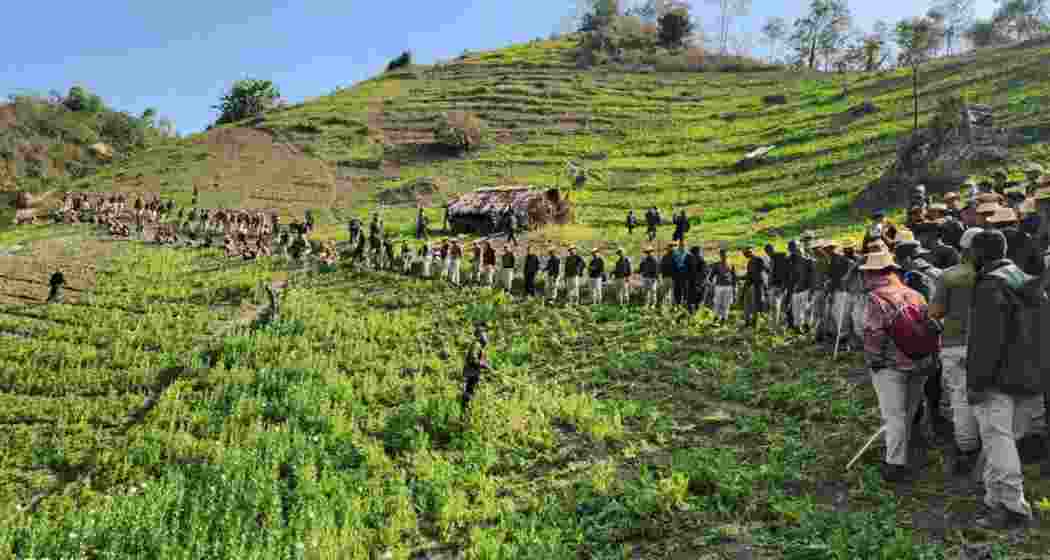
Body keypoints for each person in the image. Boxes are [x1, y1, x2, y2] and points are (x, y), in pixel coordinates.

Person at [966, 229, 1042, 529]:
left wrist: (977, 382)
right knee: (1002, 439)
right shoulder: (1025, 280)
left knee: (999, 441)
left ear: (980, 254)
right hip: (1027, 374)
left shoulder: (991, 286)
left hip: (997, 376)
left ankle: (1013, 505)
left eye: (972, 252)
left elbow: (986, 341)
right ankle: (994, 499)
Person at [861, 249, 930, 483]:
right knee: (908, 413)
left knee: (894, 416)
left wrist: (873, 361)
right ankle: (903, 453)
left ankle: (895, 463)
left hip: (890, 365)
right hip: (920, 362)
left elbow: (874, 333)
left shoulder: (876, 298)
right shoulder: (915, 294)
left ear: (872, 273)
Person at [929, 227, 983, 478]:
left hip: (955, 344)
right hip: (988, 345)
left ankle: (967, 449)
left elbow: (936, 312)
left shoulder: (949, 276)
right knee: (990, 399)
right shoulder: (996, 274)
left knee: (960, 399)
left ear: (962, 248)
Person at [461, 323, 491, 417]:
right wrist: (484, 365)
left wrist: (484, 364)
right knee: (469, 395)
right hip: (471, 374)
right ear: (480, 335)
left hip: (473, 373)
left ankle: (466, 413)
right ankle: (466, 415)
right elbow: (473, 359)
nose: (486, 336)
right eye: (484, 333)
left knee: (470, 394)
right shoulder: (476, 344)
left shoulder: (478, 346)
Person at [787, 240, 814, 331]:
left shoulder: (808, 261)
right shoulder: (791, 262)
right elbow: (791, 278)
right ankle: (798, 329)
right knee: (796, 312)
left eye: (796, 249)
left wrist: (811, 290)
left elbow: (812, 276)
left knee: (806, 311)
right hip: (795, 291)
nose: (795, 251)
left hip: (806, 290)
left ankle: (807, 329)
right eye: (792, 249)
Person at [743, 247, 769, 328]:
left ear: (751, 252)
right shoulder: (750, 262)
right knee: (748, 305)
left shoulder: (759, 260)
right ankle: (748, 322)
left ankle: (755, 323)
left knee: (756, 305)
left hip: (758, 285)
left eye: (747, 252)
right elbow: (749, 276)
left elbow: (764, 271)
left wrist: (765, 287)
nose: (746, 254)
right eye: (745, 253)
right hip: (751, 285)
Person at [765, 244, 790, 327]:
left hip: (779, 286)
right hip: (773, 286)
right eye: (767, 251)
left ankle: (777, 325)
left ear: (772, 249)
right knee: (774, 306)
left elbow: (784, 273)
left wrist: (783, 286)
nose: (768, 253)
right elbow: (772, 273)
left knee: (778, 306)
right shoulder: (773, 259)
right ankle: (775, 324)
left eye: (769, 250)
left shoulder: (780, 257)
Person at [710, 250, 737, 323]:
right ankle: (715, 318)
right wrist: (711, 285)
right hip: (719, 286)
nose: (723, 256)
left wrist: (735, 288)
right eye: (722, 255)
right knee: (717, 303)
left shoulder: (731, 264)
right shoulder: (716, 265)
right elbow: (711, 276)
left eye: (725, 255)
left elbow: (734, 277)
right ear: (720, 256)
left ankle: (723, 319)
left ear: (727, 255)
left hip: (728, 287)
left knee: (726, 304)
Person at [671, 240, 690, 307]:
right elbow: (673, 265)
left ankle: (684, 303)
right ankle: (677, 303)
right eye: (680, 245)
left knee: (684, 290)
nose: (681, 247)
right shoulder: (675, 254)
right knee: (677, 290)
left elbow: (689, 266)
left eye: (683, 245)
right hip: (677, 275)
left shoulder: (687, 254)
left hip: (684, 275)